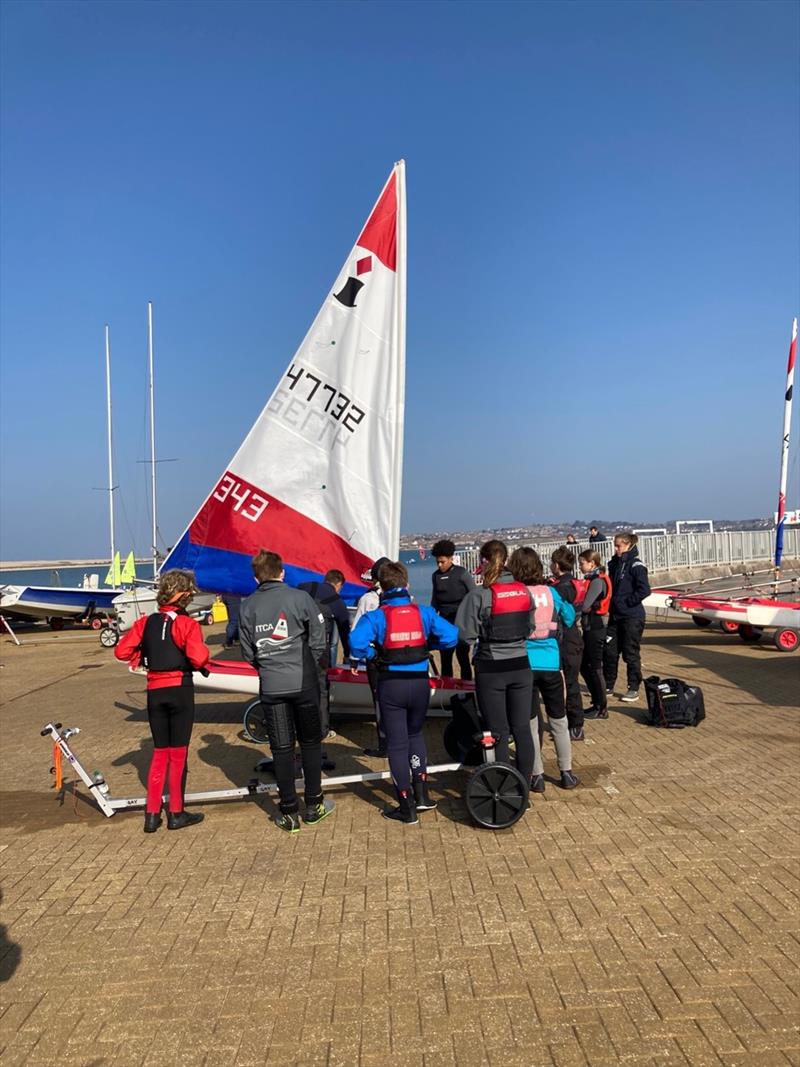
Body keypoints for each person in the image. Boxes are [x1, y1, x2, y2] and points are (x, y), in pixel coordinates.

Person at [349, 561, 458, 824]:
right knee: (415, 735)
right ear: (406, 585)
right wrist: (427, 644)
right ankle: (423, 796)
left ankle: (406, 807)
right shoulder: (424, 612)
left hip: (391, 686)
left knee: (397, 745)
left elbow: (355, 643)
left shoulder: (376, 616)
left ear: (382, 588)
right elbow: (452, 636)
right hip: (420, 684)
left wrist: (373, 653)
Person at [239, 550, 333, 833]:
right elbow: (320, 636)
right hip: (303, 683)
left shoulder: (247, 606)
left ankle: (289, 812)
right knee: (311, 743)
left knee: (281, 748)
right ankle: (314, 806)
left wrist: (267, 665)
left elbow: (247, 651)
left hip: (272, 686)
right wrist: (313, 661)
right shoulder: (300, 598)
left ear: (256, 577)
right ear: (282, 572)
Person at [115, 569, 210, 833]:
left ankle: (152, 815)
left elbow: (121, 651)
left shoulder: (145, 623)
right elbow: (199, 659)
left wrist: (141, 651)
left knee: (159, 754)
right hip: (179, 690)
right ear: (185, 596)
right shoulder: (186, 624)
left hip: (154, 692)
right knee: (178, 755)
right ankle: (176, 814)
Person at [455, 540, 535, 794]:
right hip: (522, 666)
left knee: (498, 731)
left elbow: (464, 636)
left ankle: (505, 788)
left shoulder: (478, 596)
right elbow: (530, 628)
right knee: (522, 729)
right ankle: (524, 785)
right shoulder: (524, 592)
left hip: (491, 668)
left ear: (484, 562)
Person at [509, 547, 579, 792]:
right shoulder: (551, 592)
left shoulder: (517, 593)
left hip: (524, 663)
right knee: (558, 718)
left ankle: (536, 775)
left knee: (530, 722)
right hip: (551, 663)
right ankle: (566, 772)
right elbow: (570, 617)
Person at [298, 569, 351, 738]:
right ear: (338, 585)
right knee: (321, 688)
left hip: (296, 647)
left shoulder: (304, 587)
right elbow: (344, 631)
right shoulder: (337, 601)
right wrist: (349, 655)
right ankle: (322, 729)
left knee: (299, 686)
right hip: (320, 649)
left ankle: (298, 726)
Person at [603, 532, 651, 702]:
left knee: (630, 653)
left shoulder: (636, 565)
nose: (616, 549)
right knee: (609, 651)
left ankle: (633, 687)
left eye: (619, 546)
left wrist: (627, 603)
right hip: (615, 616)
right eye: (615, 546)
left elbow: (644, 589)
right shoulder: (615, 564)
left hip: (632, 616)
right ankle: (608, 685)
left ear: (628, 545)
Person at [351, 556, 391, 757]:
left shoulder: (368, 599)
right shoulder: (404, 597)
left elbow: (356, 631)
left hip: (376, 658)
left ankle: (385, 745)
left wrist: (354, 659)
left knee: (380, 701)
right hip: (399, 656)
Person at [550, 546, 584, 741]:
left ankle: (574, 725)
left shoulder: (557, 589)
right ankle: (575, 724)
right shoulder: (575, 583)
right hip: (575, 638)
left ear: (556, 565)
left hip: (564, 639)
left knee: (566, 685)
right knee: (572, 683)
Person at [430, 539, 475, 680]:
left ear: (450, 559)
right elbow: (434, 600)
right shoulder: (435, 576)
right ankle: (447, 689)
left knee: (462, 656)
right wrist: (431, 619)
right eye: (437, 562)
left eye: (442, 562)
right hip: (444, 621)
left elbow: (474, 596)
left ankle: (466, 688)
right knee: (445, 656)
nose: (439, 565)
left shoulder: (462, 573)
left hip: (461, 621)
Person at [577, 549, 612, 719]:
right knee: (585, 666)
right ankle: (597, 702)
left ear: (592, 563)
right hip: (590, 627)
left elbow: (584, 606)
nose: (580, 566)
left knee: (595, 667)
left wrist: (579, 604)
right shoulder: (591, 580)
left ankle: (601, 707)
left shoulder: (597, 581)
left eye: (582, 563)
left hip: (596, 628)